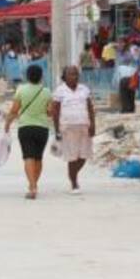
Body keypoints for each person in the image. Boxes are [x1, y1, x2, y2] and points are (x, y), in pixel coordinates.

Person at [4, 63, 51, 200]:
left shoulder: (21, 90)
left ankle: (32, 186)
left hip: (25, 128)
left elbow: (14, 110)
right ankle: (34, 184)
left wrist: (7, 124)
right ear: (41, 76)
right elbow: (50, 112)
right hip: (42, 128)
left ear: (27, 76)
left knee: (28, 157)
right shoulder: (46, 91)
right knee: (38, 157)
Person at [50, 65, 96, 194]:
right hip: (68, 128)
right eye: (71, 74)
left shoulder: (84, 89)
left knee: (84, 156)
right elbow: (55, 111)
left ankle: (72, 174)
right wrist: (57, 130)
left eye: (76, 74)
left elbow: (90, 108)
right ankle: (74, 183)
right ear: (65, 77)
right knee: (72, 157)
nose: (74, 77)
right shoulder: (60, 91)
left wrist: (93, 124)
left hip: (84, 126)